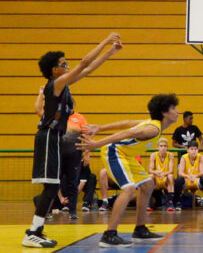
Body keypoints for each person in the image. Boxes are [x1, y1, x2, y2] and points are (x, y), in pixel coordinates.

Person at [22, 33, 121, 249]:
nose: (66, 64)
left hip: (54, 138)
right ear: (54, 70)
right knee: (51, 186)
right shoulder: (56, 83)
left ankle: (35, 231)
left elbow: (88, 69)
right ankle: (33, 232)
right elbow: (84, 62)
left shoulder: (64, 85)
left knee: (53, 185)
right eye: (62, 63)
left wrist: (110, 53)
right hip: (48, 136)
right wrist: (105, 40)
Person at [78, 93, 181, 248]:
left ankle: (140, 230)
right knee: (129, 188)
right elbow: (127, 133)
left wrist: (100, 127)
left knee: (148, 185)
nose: (177, 111)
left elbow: (126, 123)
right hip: (114, 152)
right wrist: (96, 144)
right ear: (164, 112)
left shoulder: (152, 123)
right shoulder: (152, 130)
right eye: (174, 108)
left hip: (126, 155)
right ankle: (109, 235)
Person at [173, 141, 203, 211]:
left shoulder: (200, 157)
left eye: (195, 149)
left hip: (196, 180)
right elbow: (180, 173)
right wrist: (188, 176)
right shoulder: (184, 157)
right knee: (178, 180)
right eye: (191, 149)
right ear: (188, 150)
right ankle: (177, 202)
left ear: (198, 150)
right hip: (187, 180)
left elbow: (202, 172)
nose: (193, 151)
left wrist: (194, 176)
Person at [148, 138, 175, 211]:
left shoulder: (170, 155)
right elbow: (150, 170)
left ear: (167, 147)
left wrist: (164, 174)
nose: (163, 148)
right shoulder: (153, 155)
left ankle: (170, 203)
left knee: (170, 176)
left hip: (165, 178)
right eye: (161, 146)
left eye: (165, 146)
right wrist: (156, 172)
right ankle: (149, 203)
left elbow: (171, 170)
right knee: (150, 176)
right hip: (157, 179)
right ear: (157, 147)